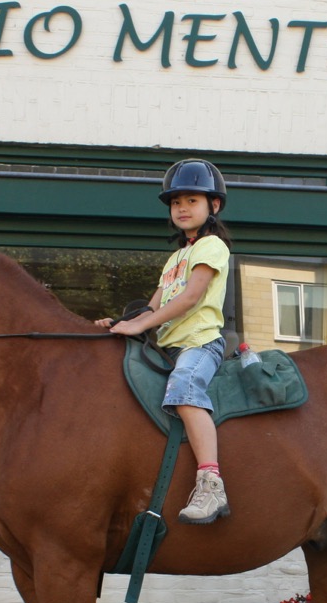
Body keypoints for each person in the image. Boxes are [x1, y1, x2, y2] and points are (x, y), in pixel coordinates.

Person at [96, 159, 232, 524]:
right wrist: (120, 322)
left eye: (191, 200)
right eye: (176, 202)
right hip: (170, 346)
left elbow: (189, 299)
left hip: (200, 344)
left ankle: (211, 483)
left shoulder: (213, 246)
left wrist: (144, 322)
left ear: (213, 206)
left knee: (185, 388)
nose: (182, 209)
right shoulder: (175, 257)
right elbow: (154, 306)